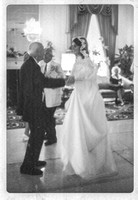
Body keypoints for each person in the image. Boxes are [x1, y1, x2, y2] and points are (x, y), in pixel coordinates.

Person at [60, 37, 117, 179]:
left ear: (82, 47)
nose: (72, 47)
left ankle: (89, 162)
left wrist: (73, 78)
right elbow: (72, 80)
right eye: (72, 45)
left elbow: (86, 76)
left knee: (86, 127)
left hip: (87, 98)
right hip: (78, 96)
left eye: (75, 45)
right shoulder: (77, 61)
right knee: (76, 128)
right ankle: (78, 160)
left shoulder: (87, 61)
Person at [16, 42, 65, 176]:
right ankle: (27, 167)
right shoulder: (31, 66)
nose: (43, 54)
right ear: (37, 52)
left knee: (36, 136)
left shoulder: (30, 64)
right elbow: (43, 82)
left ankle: (33, 161)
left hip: (33, 106)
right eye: (42, 52)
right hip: (33, 107)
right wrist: (63, 81)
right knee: (36, 136)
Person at [39, 46, 65, 146]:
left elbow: (62, 78)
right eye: (44, 53)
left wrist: (51, 77)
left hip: (53, 94)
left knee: (49, 116)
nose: (45, 55)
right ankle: (49, 133)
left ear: (51, 55)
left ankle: (52, 137)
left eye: (48, 54)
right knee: (45, 116)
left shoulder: (56, 65)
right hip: (42, 95)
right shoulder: (40, 64)